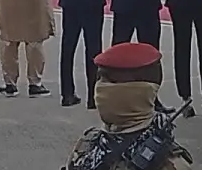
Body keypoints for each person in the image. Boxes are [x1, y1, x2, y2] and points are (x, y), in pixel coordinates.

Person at [63, 42, 193, 170]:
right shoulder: (88, 145)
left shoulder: (169, 164)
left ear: (141, 90)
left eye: (111, 81)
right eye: (99, 79)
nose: (99, 88)